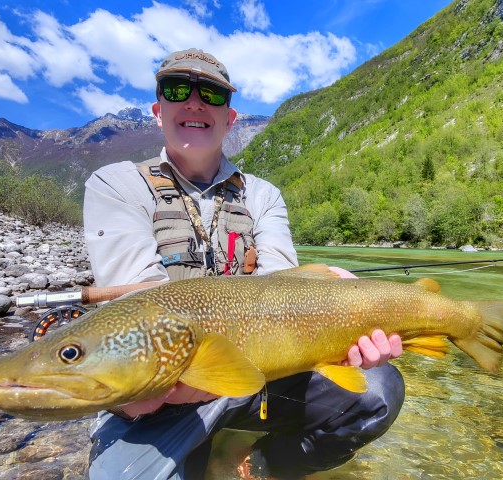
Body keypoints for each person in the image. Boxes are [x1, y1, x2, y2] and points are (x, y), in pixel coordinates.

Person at [82, 48, 406, 479]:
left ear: (230, 118)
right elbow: (142, 319)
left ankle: (260, 459)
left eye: (212, 94)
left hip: (258, 378)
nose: (195, 102)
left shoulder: (263, 195)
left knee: (378, 389)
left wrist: (340, 311)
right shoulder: (116, 184)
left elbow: (283, 293)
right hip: (161, 396)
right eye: (179, 90)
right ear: (158, 111)